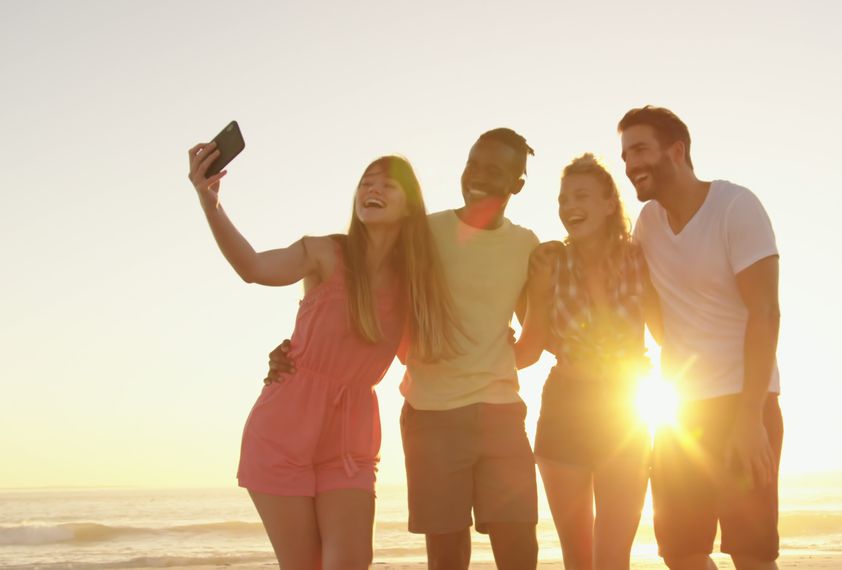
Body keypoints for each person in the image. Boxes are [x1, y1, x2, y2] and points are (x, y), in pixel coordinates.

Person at [267, 129, 542, 570]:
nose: (478, 176)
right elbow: (354, 289)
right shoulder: (422, 234)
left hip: (501, 412)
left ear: (517, 184)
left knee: (520, 551)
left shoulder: (526, 246)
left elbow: (533, 341)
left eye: (495, 169)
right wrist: (296, 349)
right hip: (431, 415)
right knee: (447, 557)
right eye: (473, 164)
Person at [187, 146, 459, 570]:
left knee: (351, 563)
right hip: (283, 427)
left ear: (409, 207)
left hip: (350, 435)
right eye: (367, 183)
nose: (373, 190)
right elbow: (253, 267)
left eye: (387, 185)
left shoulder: (414, 282)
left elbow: (426, 351)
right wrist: (210, 201)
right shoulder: (323, 252)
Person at [619, 106, 784, 570]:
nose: (631, 164)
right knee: (680, 550)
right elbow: (659, 319)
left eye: (641, 149)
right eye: (626, 154)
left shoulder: (735, 206)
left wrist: (750, 419)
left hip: (743, 403)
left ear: (678, 150)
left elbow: (766, 313)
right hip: (681, 411)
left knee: (750, 554)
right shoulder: (647, 223)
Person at [514, 153, 663, 569]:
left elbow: (668, 331)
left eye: (581, 196)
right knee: (578, 559)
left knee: (613, 557)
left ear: (609, 203)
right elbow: (532, 345)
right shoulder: (549, 263)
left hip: (625, 411)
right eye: (562, 199)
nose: (568, 207)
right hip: (566, 407)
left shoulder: (639, 258)